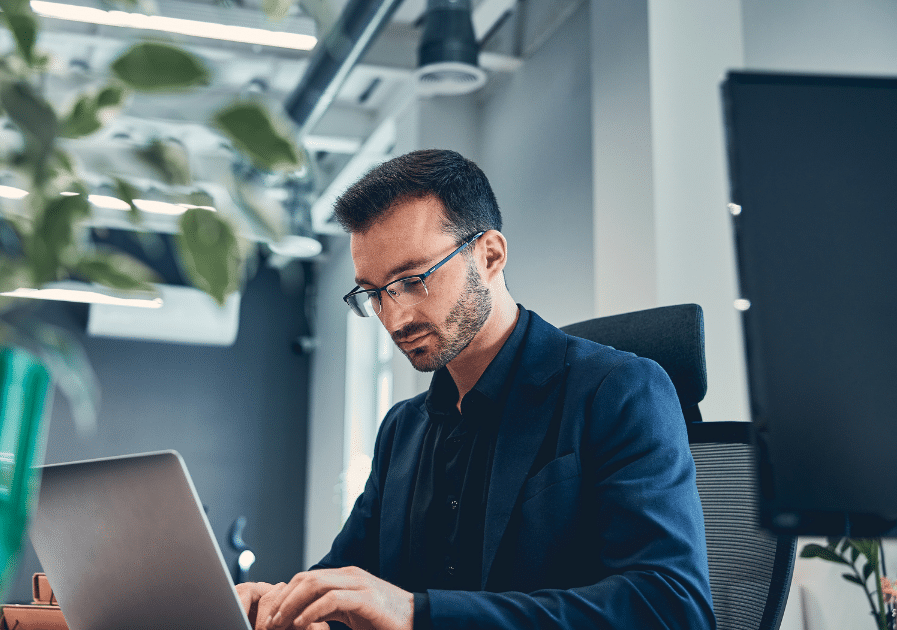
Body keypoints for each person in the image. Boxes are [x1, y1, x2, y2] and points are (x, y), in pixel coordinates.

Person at [236, 149, 714, 630]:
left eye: (412, 279)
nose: (395, 317)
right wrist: (278, 604)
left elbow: (671, 607)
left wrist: (416, 615)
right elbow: (345, 579)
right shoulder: (402, 429)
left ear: (489, 255)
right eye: (374, 293)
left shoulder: (619, 391)